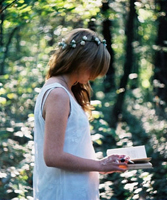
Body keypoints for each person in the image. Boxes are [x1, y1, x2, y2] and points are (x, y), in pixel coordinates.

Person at [33, 28, 129, 200]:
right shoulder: (58, 94)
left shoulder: (65, 91)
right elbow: (53, 156)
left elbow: (71, 146)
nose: (94, 76)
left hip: (75, 188)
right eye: (94, 68)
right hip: (65, 192)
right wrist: (100, 165)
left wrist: (104, 162)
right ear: (81, 61)